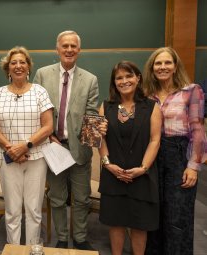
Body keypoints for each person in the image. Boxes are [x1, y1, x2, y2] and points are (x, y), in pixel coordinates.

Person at [33, 30, 99, 250]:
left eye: (73, 46)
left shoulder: (90, 79)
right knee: (58, 197)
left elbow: (91, 115)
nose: (69, 50)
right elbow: (36, 109)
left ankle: (80, 238)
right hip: (53, 146)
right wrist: (47, 135)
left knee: (82, 198)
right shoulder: (42, 74)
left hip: (79, 148)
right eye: (65, 46)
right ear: (57, 49)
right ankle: (62, 237)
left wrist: (88, 139)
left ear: (79, 50)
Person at [0, 46, 54, 244]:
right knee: (12, 211)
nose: (18, 66)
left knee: (33, 210)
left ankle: (33, 249)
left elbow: (48, 126)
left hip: (36, 158)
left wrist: (25, 146)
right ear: (8, 68)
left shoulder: (40, 92)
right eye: (13, 63)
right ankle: (14, 249)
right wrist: (11, 149)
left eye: (22, 62)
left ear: (28, 67)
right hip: (8, 159)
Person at [143, 47, 206, 255]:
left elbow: (197, 129)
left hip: (180, 157)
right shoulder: (146, 95)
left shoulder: (191, 91)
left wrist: (194, 166)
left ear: (175, 65)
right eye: (158, 63)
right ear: (152, 68)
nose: (162, 67)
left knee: (177, 216)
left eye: (167, 62)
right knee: (154, 213)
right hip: (153, 155)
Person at [98, 61, 162, 255]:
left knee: (139, 225)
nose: (124, 81)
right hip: (113, 174)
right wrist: (108, 165)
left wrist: (142, 168)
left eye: (129, 76)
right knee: (115, 223)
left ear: (138, 78)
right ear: (114, 82)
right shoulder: (106, 106)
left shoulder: (151, 107)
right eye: (119, 77)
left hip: (142, 175)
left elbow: (155, 140)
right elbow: (99, 140)